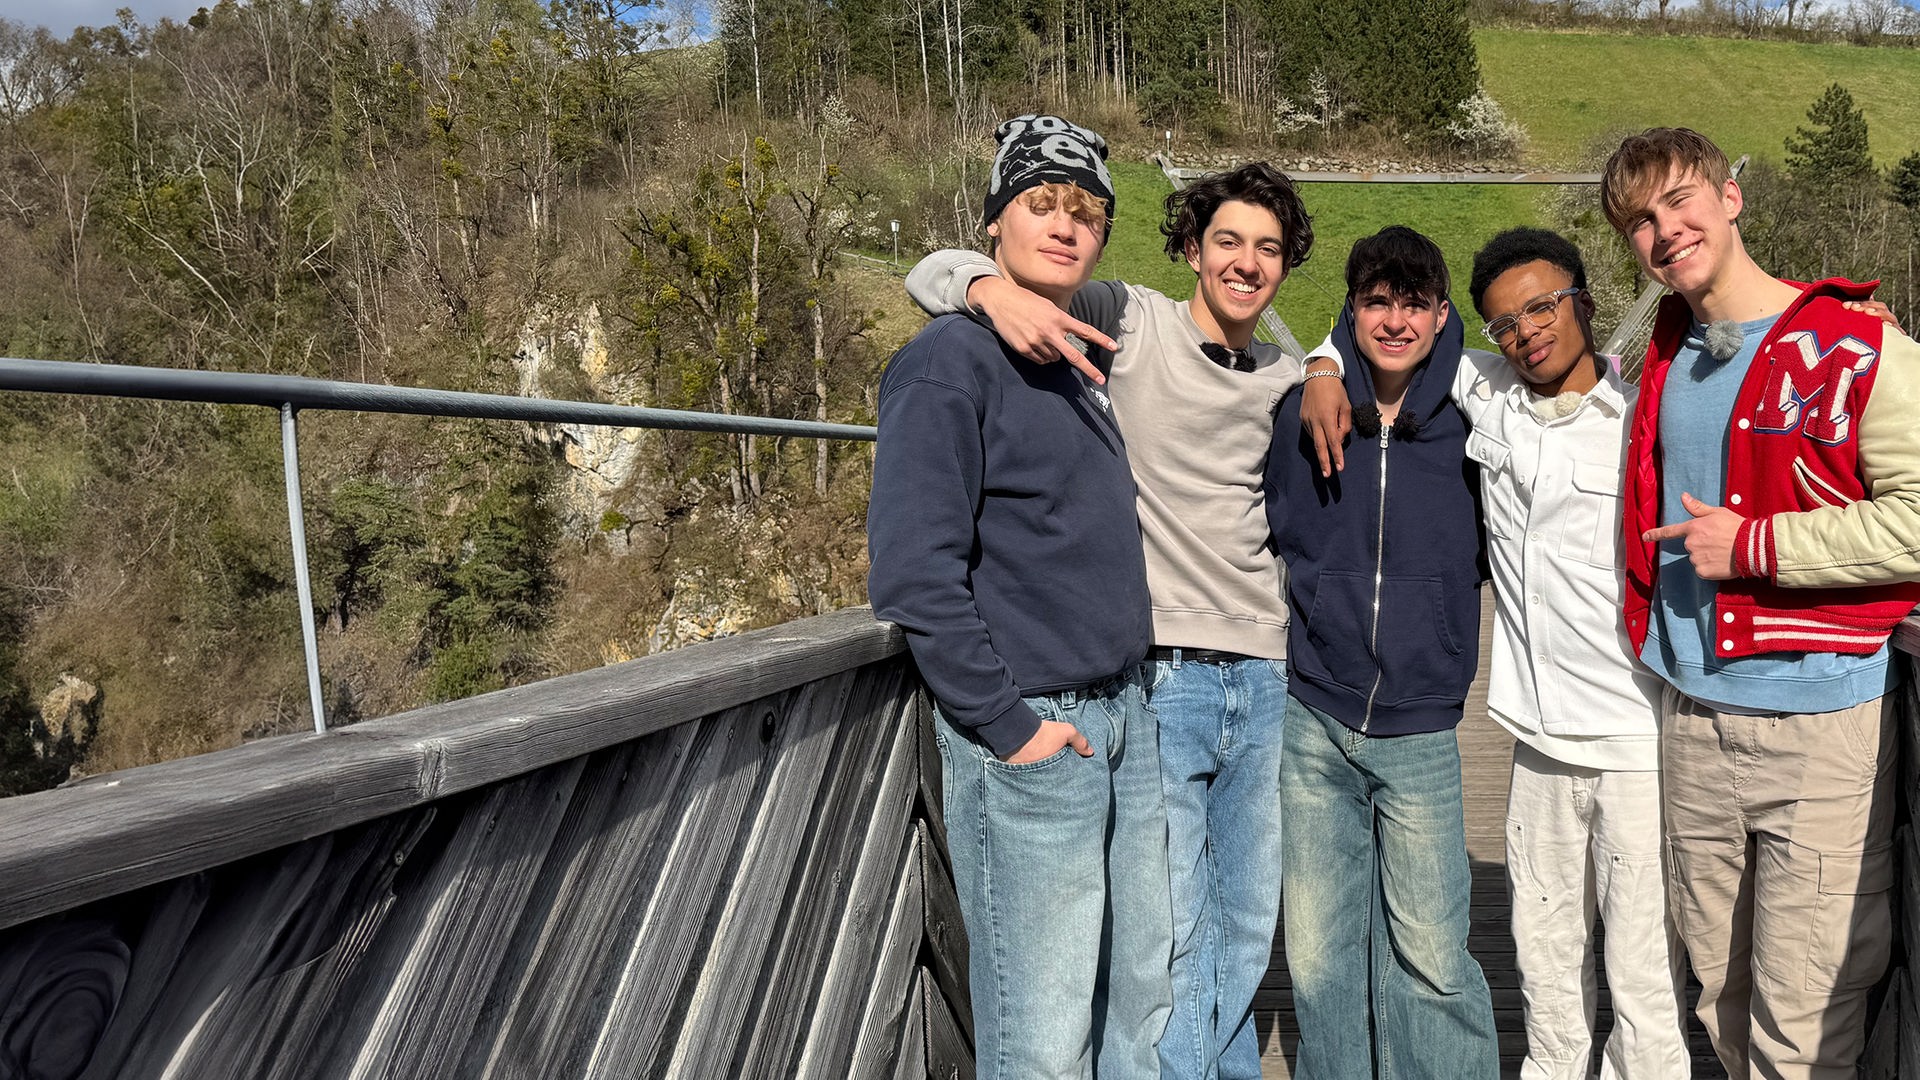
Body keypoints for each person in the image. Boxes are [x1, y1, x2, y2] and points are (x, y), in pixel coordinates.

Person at [905, 161, 1315, 1080]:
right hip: (1160, 669)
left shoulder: (1289, 372)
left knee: (1242, 921)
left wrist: (1323, 368)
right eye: (1226, 241)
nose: (1246, 263)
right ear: (1190, 251)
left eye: (1268, 248)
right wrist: (982, 287)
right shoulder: (1128, 317)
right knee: (1164, 931)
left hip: (1258, 665)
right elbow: (940, 271)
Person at [1301, 226, 1692, 1078]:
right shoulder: (1491, 392)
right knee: (1544, 967)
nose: (1528, 331)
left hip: (1637, 745)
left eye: (1544, 306)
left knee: (1642, 977)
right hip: (1535, 741)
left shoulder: (1645, 422)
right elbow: (1374, 327)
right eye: (1507, 321)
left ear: (1584, 301)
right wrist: (1322, 367)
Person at [1598, 126, 1920, 1080]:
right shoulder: (1662, 352)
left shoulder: (1864, 346)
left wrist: (1756, 547)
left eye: (1680, 201)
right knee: (1721, 1001)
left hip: (1822, 733)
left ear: (1731, 196)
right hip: (1692, 721)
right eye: (1640, 223)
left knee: (1807, 1019)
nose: (1665, 232)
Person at [867, 113, 1171, 1080]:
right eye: (1039, 204)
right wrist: (1008, 726)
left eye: (1085, 212)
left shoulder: (1077, 350)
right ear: (992, 225)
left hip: (1123, 711)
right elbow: (915, 572)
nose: (1065, 224)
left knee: (1132, 1004)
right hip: (1037, 732)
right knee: (1041, 1036)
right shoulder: (947, 364)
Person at [1266, 225, 1499, 1080]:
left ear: (1441, 316)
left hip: (1425, 725)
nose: (1395, 320)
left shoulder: (1477, 418)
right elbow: (1279, 523)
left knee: (1434, 956)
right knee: (1322, 959)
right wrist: (1320, 371)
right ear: (1351, 310)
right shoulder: (1305, 410)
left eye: (1413, 304)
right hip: (1314, 714)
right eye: (1377, 302)